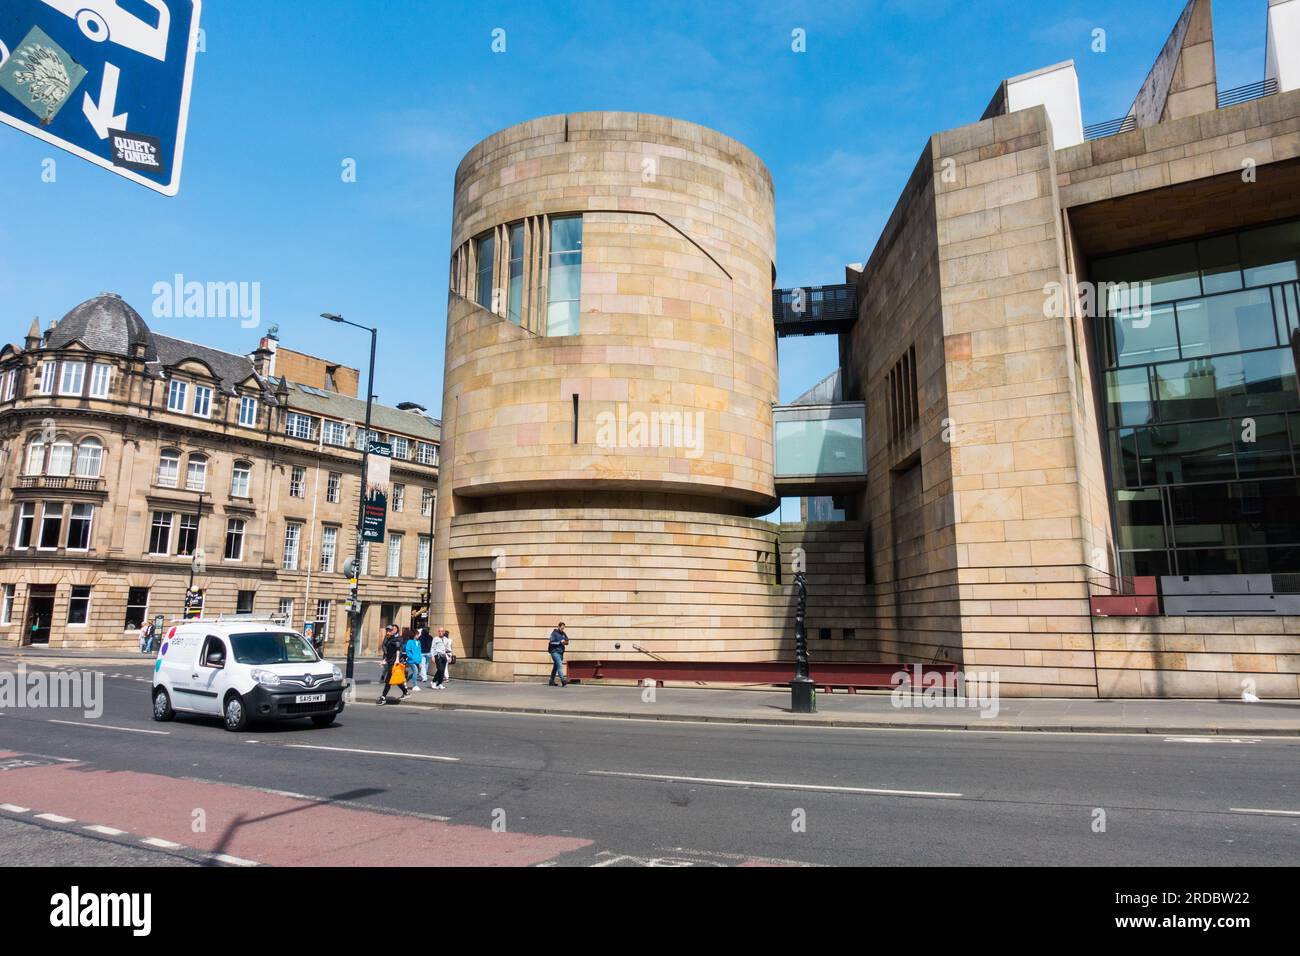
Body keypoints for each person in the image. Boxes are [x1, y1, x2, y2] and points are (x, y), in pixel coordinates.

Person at [377, 625, 408, 704]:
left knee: (388, 681)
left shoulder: (395, 639)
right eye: (387, 630)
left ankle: (383, 697)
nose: (388, 632)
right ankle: (406, 692)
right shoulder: (388, 639)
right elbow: (388, 652)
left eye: (390, 631)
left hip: (394, 663)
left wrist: (397, 660)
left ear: (393, 631)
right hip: (390, 661)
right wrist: (384, 660)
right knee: (396, 680)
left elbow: (398, 649)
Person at [547, 622, 568, 687]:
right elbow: (551, 642)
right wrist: (559, 642)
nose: (562, 629)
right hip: (554, 652)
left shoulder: (563, 634)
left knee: (555, 667)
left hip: (561, 652)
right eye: (562, 628)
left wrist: (565, 642)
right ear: (558, 627)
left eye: (563, 628)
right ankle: (563, 680)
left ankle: (551, 681)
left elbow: (567, 641)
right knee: (559, 665)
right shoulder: (554, 633)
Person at [403, 628, 423, 693]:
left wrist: (419, 659)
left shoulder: (419, 642)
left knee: (416, 672)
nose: (418, 635)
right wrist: (412, 657)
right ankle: (415, 685)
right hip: (411, 660)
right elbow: (408, 651)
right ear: (414, 635)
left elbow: (419, 651)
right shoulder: (410, 642)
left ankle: (405, 682)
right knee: (415, 671)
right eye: (417, 634)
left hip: (417, 660)